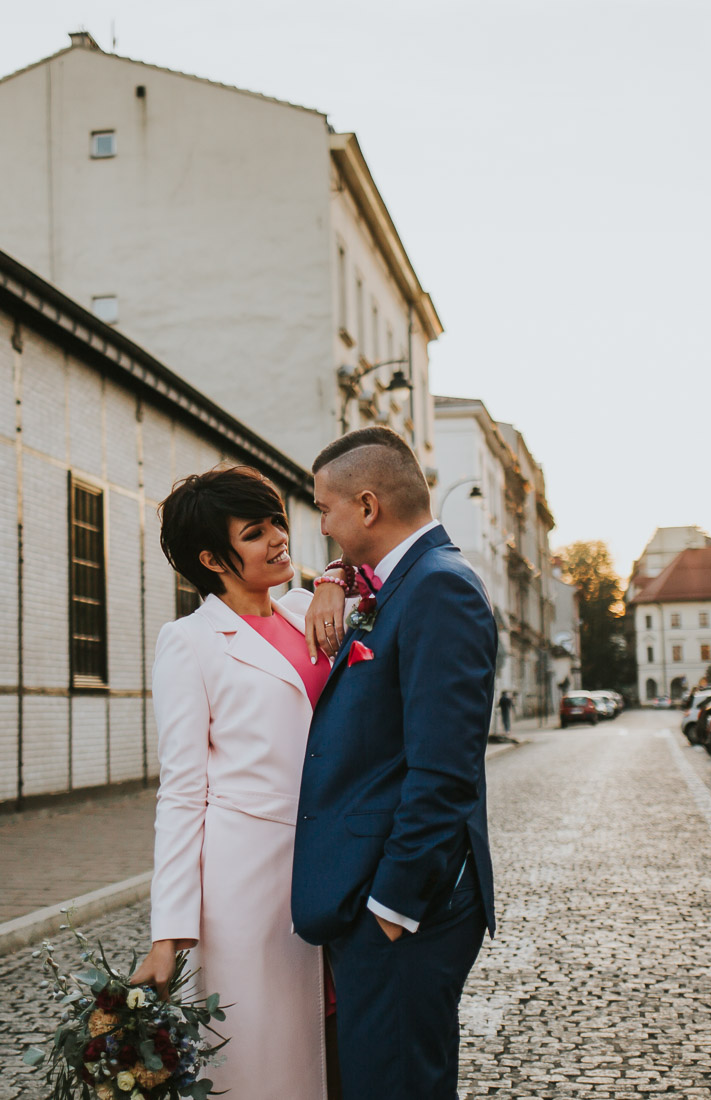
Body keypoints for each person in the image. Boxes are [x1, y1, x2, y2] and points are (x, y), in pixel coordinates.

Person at [292, 426, 498, 1100]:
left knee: (398, 1084)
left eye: (326, 509)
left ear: (369, 506)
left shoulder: (441, 590)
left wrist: (392, 906)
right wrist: (333, 576)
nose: (322, 525)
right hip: (379, 902)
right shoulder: (403, 581)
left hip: (407, 912)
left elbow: (445, 771)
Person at [131, 465, 339, 1099]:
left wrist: (332, 578)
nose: (278, 537)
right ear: (210, 559)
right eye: (255, 531)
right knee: (263, 1061)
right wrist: (169, 933)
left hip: (332, 866)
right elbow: (181, 790)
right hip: (246, 882)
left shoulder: (308, 608)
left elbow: (377, 581)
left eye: (277, 521)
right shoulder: (189, 643)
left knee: (333, 1046)